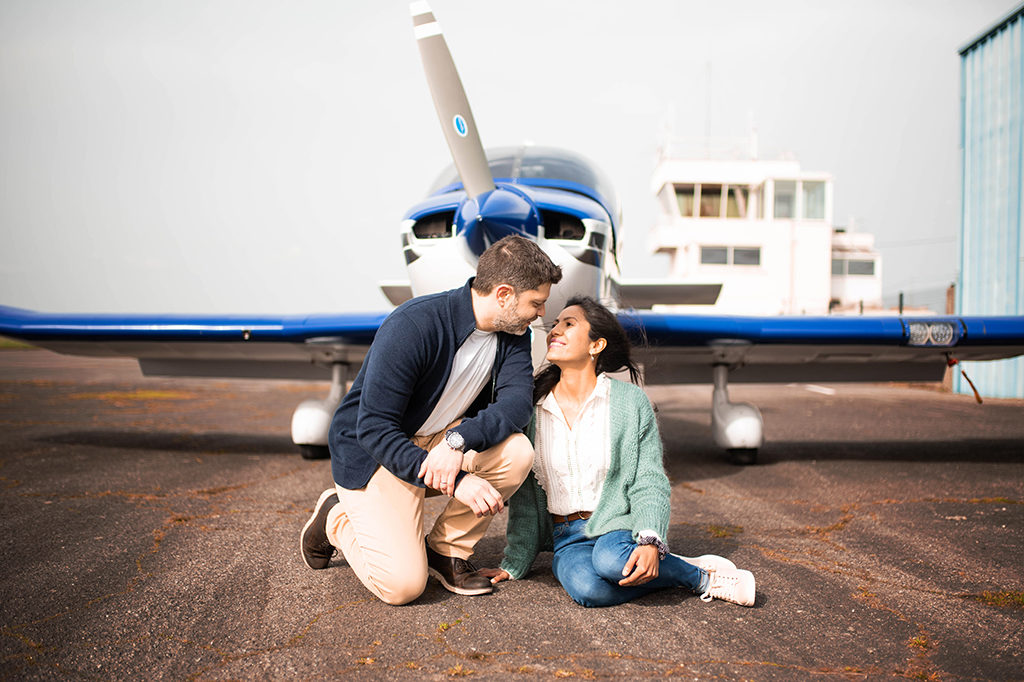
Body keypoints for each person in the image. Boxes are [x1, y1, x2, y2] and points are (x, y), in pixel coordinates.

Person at [300, 235, 562, 605]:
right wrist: (456, 482)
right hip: (377, 452)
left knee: (517, 452)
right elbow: (373, 428)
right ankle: (336, 517)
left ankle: (447, 550)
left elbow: (517, 404)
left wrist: (457, 443)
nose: (540, 313)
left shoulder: (513, 333)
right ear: (503, 294)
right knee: (403, 587)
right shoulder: (414, 324)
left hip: (442, 439)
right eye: (535, 303)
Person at [480, 296, 757, 608]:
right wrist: (513, 564)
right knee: (587, 589)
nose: (554, 330)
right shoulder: (531, 406)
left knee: (612, 561)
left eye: (568, 324)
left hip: (617, 525)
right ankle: (668, 569)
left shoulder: (630, 402)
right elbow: (526, 501)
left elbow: (649, 480)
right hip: (567, 537)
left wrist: (651, 540)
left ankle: (701, 577)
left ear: (596, 346)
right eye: (555, 323)